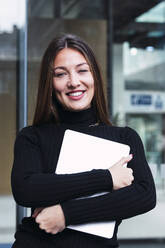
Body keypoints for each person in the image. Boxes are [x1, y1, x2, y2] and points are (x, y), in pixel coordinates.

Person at [11, 33, 156, 248]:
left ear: (94, 76)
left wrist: (65, 214)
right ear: (49, 84)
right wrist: (107, 178)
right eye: (61, 74)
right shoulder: (32, 137)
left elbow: (144, 196)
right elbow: (26, 189)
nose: (74, 82)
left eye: (82, 70)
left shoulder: (124, 138)